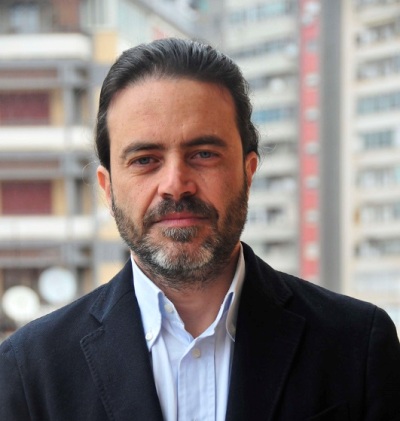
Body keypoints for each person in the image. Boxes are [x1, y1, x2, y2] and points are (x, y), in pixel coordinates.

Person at [0, 38, 399, 421]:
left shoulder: (356, 344)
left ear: (248, 172)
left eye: (203, 154)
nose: (176, 185)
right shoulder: (29, 369)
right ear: (108, 188)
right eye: (145, 160)